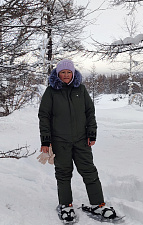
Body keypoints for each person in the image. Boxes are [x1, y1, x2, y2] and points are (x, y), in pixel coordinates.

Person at [38, 59, 116, 223]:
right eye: (63, 72)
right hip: (60, 142)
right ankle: (65, 205)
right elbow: (44, 116)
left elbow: (90, 112)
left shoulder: (80, 89)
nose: (66, 75)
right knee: (64, 173)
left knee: (89, 171)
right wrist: (46, 141)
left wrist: (92, 133)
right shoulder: (51, 92)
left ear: (73, 73)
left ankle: (98, 204)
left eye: (69, 72)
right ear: (58, 74)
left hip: (81, 140)